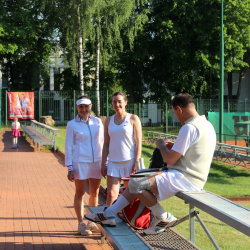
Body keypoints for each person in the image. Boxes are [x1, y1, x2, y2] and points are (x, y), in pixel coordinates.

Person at [84, 93, 217, 234]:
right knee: (138, 178)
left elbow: (169, 160)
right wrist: (175, 146)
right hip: (192, 177)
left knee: (136, 183)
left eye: (175, 113)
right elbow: (195, 152)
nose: (177, 118)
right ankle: (109, 213)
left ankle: (163, 216)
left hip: (184, 178)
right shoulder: (207, 125)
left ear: (179, 109)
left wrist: (161, 146)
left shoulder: (189, 127)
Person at [65, 95, 104, 236]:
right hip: (80, 162)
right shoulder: (72, 124)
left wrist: (105, 161)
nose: (83, 109)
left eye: (86, 106)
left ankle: (91, 222)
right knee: (80, 192)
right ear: (77, 107)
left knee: (95, 193)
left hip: (97, 162)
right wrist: (70, 167)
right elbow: (69, 146)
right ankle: (81, 223)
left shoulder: (98, 122)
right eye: (81, 106)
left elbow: (103, 142)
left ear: (91, 106)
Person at [101, 91, 142, 207]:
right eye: (114, 102)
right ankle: (110, 219)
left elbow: (138, 142)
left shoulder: (133, 118)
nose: (117, 105)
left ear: (125, 102)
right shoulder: (108, 121)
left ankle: (127, 221)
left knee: (130, 196)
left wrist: (136, 161)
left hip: (130, 161)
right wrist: (103, 163)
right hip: (113, 162)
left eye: (119, 102)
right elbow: (106, 144)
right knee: (111, 194)